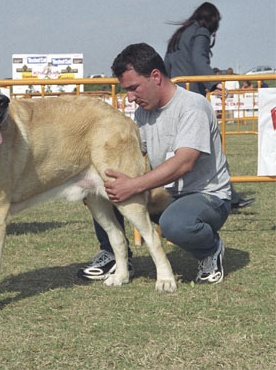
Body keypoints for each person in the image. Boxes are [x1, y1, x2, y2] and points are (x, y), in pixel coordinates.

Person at [78, 43, 231, 285]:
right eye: (126, 90)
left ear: (156, 76)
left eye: (134, 88)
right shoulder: (143, 112)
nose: (130, 98)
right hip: (166, 195)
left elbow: (184, 163)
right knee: (108, 184)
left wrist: (135, 185)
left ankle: (211, 250)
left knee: (175, 223)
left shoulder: (193, 106)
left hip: (207, 196)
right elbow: (129, 154)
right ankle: (117, 257)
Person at [164, 2, 254, 210]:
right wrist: (214, 82)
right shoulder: (201, 32)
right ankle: (228, 196)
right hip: (192, 98)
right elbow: (199, 59)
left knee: (179, 149)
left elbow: (167, 63)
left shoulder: (180, 34)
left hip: (174, 94)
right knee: (213, 147)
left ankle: (178, 194)